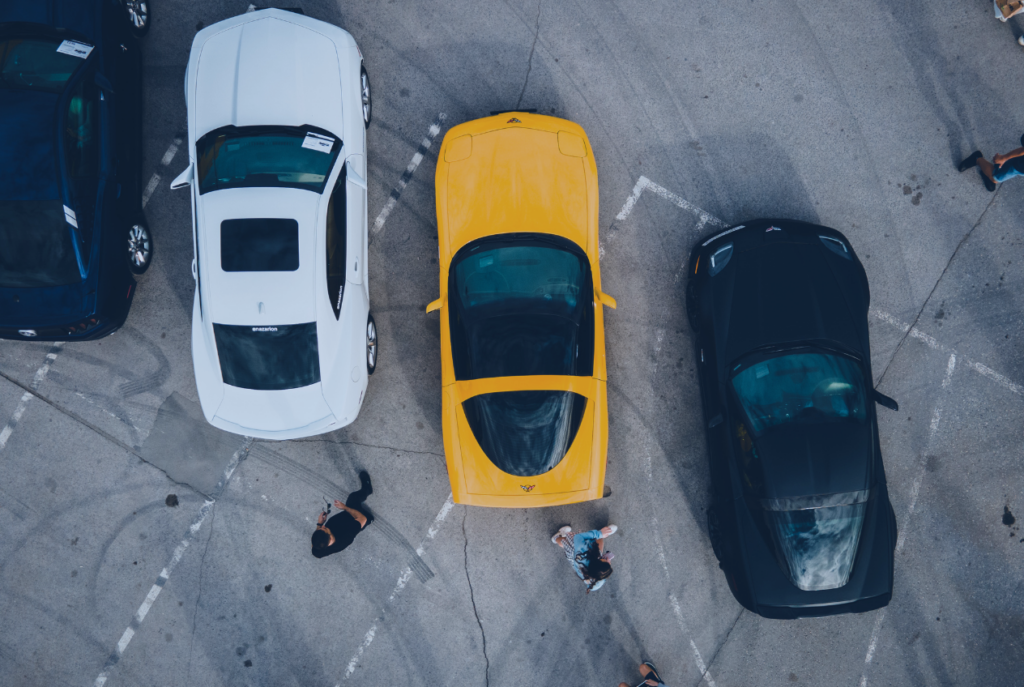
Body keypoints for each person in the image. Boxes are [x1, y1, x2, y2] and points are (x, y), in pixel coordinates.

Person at [311, 471, 373, 558]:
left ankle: (369, 518)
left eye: (320, 529)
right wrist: (345, 507)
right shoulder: (345, 539)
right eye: (324, 529)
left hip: (342, 519)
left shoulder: (318, 550)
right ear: (330, 538)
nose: (323, 526)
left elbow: (314, 546)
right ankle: (367, 490)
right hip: (353, 520)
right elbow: (362, 519)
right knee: (353, 498)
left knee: (362, 516)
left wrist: (319, 523)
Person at [551, 523, 617, 592]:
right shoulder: (596, 580)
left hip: (577, 551)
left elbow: (578, 537)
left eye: (604, 560)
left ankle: (556, 538)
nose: (608, 560)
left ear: (596, 561)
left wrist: (599, 534)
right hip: (576, 561)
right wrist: (605, 566)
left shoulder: (582, 551)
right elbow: (592, 587)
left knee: (566, 542)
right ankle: (605, 532)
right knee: (566, 545)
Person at [958, 144, 1024, 192]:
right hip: (1020, 164)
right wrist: (1004, 158)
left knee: (996, 176)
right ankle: (977, 159)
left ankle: (989, 173)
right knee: (995, 178)